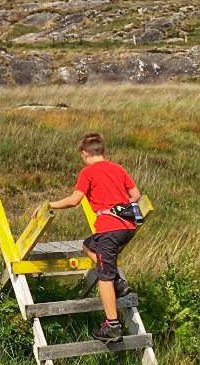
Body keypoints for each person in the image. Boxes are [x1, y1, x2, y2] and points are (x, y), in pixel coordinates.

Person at [37, 133, 141, 342]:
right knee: (88, 245)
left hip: (108, 230)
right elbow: (136, 194)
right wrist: (119, 206)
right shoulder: (118, 169)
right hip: (127, 228)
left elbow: (74, 200)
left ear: (85, 154)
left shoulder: (88, 172)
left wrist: (49, 204)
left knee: (104, 276)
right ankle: (118, 282)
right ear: (103, 150)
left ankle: (112, 325)